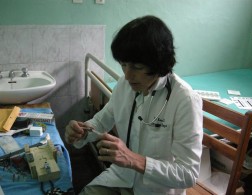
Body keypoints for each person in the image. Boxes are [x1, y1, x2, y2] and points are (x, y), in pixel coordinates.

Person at [65, 15, 203, 195]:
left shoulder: (184, 100)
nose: (128, 76)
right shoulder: (124, 85)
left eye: (137, 67)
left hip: (155, 189)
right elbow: (102, 120)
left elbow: (188, 174)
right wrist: (82, 131)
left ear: (159, 63)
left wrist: (134, 160)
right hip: (121, 177)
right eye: (123, 65)